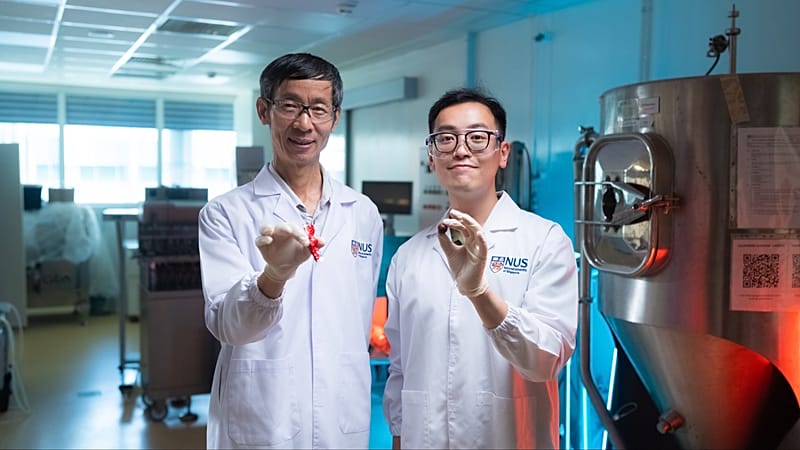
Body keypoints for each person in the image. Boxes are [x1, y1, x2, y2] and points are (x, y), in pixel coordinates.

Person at [198, 52, 384, 449]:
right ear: (263, 111)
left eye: (318, 109)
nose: (304, 123)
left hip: (341, 413)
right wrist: (272, 278)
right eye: (290, 106)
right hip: (263, 414)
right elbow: (228, 326)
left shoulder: (363, 213)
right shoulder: (226, 214)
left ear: (335, 116)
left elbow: (357, 320)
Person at [382, 87, 579, 449]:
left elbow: (546, 360)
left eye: (477, 137)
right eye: (446, 139)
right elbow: (400, 367)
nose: (460, 150)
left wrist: (479, 292)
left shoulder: (544, 242)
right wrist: (398, 435)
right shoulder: (408, 257)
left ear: (502, 153)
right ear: (431, 156)